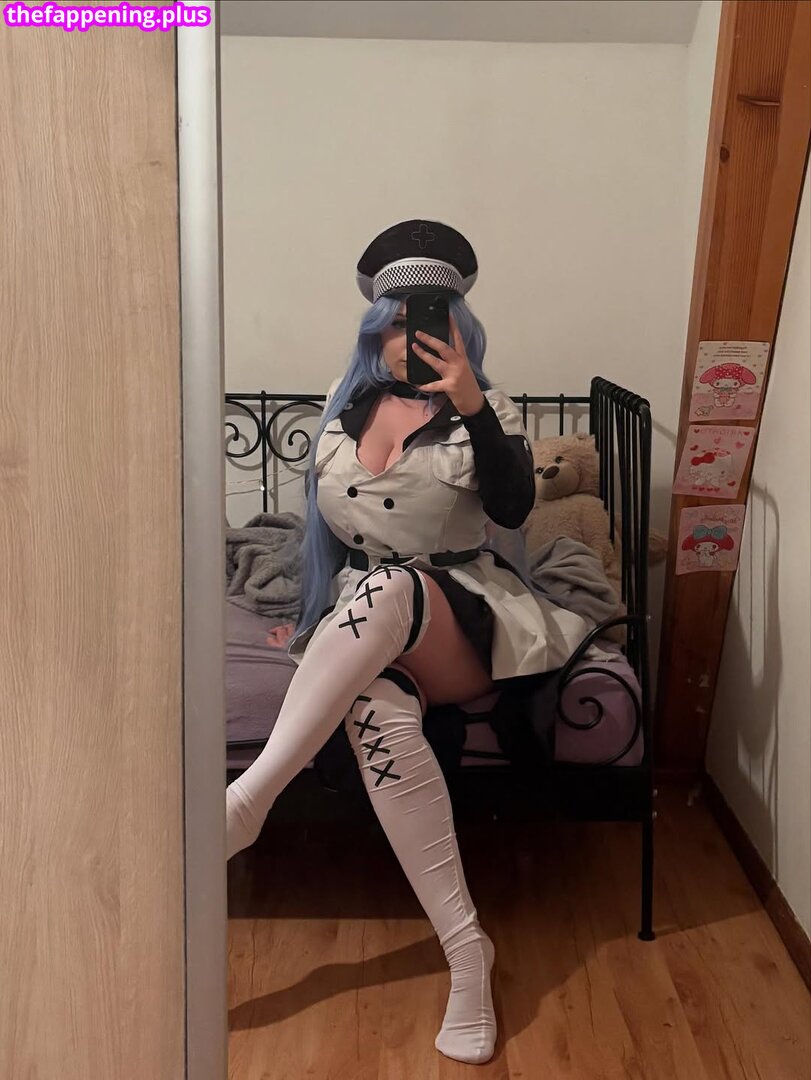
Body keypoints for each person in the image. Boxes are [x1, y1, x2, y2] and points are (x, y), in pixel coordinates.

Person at [225, 220, 595, 1065]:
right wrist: (316, 623)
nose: (408, 338)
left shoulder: (488, 410)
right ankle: (467, 954)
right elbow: (329, 539)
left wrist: (470, 403)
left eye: (428, 320)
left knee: (392, 586)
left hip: (462, 620)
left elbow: (510, 507)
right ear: (372, 331)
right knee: (375, 715)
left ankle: (247, 803)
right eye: (394, 322)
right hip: (370, 619)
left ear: (459, 327)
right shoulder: (343, 405)